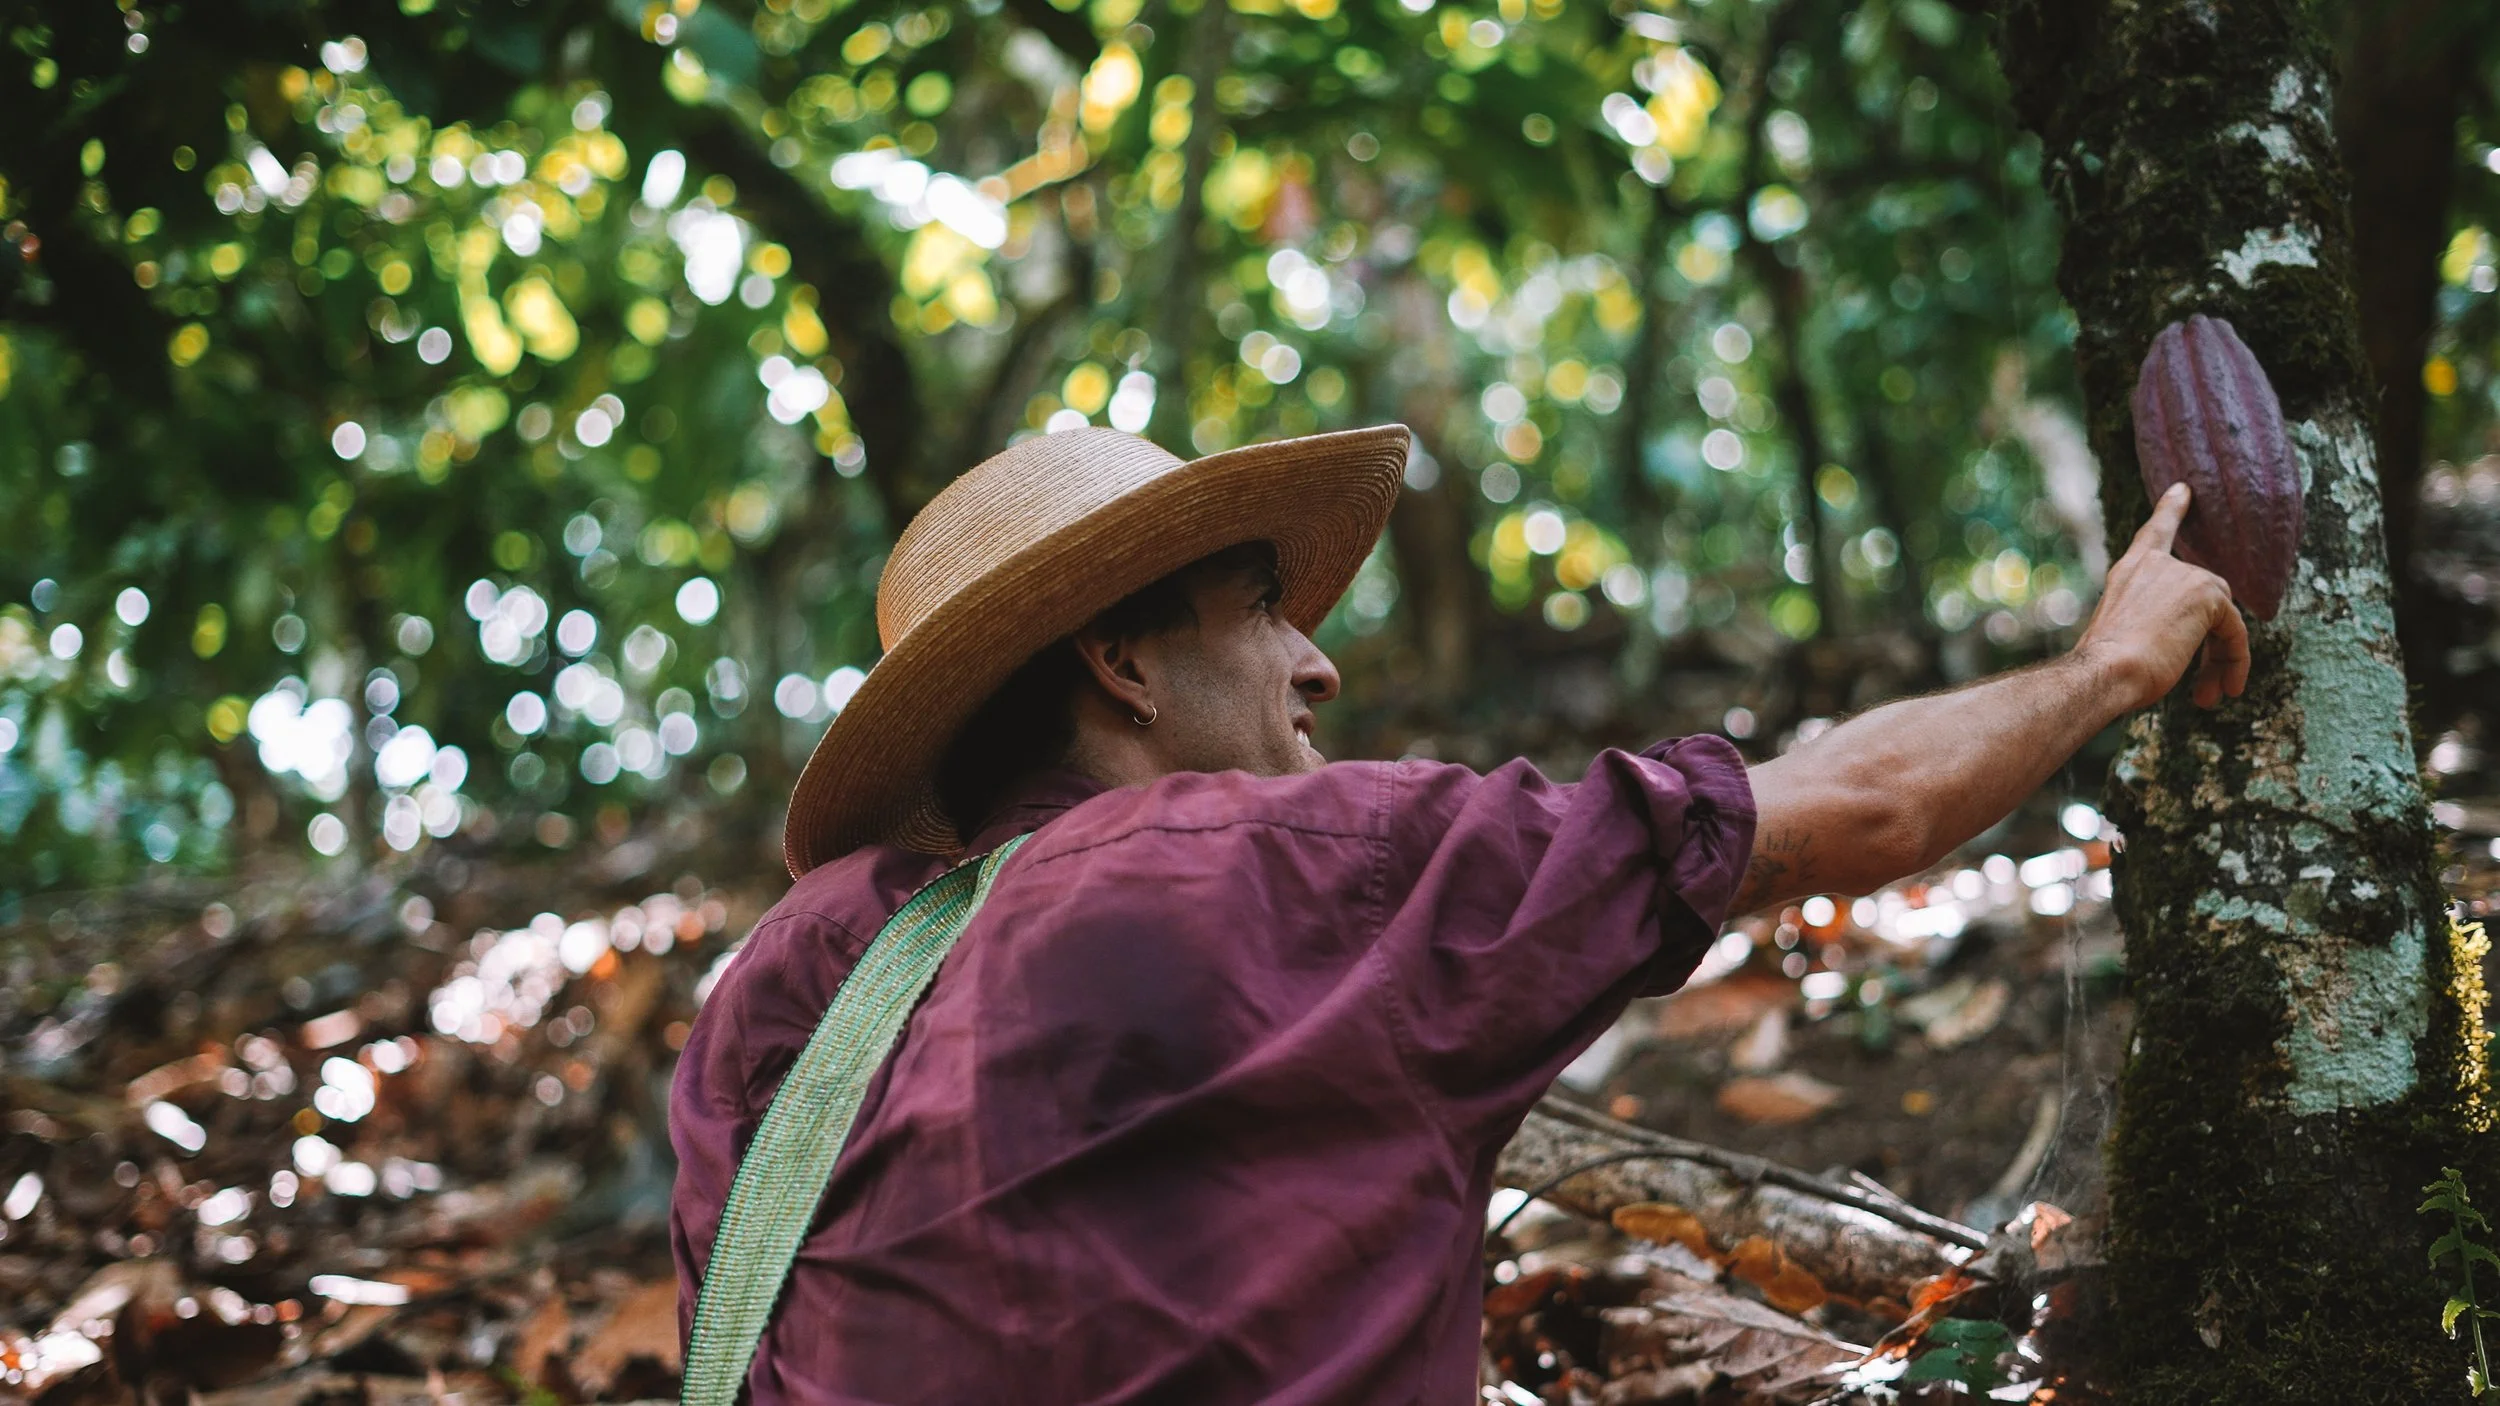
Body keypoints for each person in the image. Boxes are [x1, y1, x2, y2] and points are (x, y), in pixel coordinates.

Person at [670, 424, 2246, 1402]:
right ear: (1121, 662)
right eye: (1264, 610)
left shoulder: (778, 980)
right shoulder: (1306, 867)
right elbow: (1851, 807)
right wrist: (2109, 662)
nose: (1317, 663)